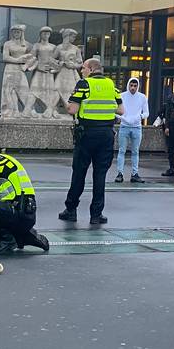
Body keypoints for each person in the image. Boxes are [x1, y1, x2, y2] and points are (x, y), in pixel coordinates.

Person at [59, 58, 122, 225]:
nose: (81, 71)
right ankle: (96, 214)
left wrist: (66, 104)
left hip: (87, 134)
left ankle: (71, 210)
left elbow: (72, 109)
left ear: (92, 69)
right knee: (100, 175)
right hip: (107, 135)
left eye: (84, 68)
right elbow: (121, 109)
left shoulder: (84, 84)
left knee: (79, 173)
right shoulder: (111, 85)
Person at [0, 133, 50, 255]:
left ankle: (7, 239)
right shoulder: (3, 159)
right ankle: (26, 235)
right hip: (25, 211)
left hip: (19, 211)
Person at [114, 77, 148, 183]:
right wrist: (123, 118)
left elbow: (147, 113)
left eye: (135, 86)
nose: (133, 88)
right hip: (124, 126)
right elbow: (115, 110)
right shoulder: (122, 96)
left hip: (137, 127)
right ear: (128, 85)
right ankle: (120, 173)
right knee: (122, 150)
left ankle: (135, 173)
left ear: (138, 86)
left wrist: (139, 117)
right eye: (131, 85)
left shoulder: (142, 97)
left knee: (135, 151)